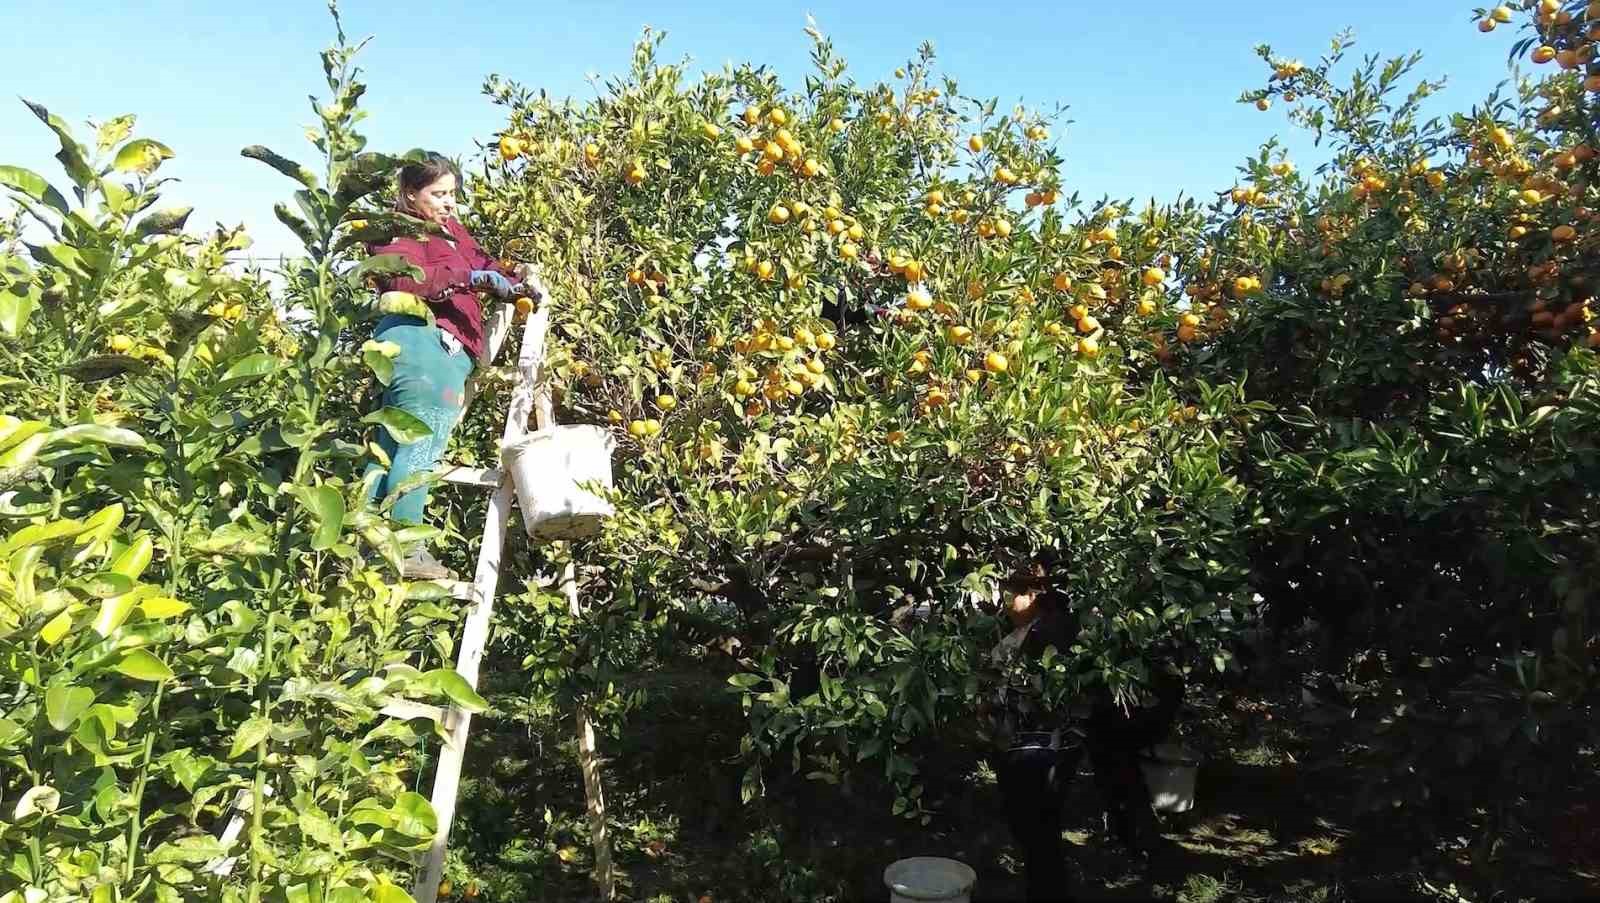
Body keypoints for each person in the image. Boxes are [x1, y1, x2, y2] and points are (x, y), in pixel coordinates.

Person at [363, 152, 522, 579]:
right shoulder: (395, 229)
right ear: (411, 194)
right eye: (439, 194)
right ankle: (406, 548)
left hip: (435, 346)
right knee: (421, 441)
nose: (450, 202)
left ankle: (364, 546)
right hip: (423, 339)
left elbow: (483, 263)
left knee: (391, 445)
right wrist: (466, 278)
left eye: (453, 194)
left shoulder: (451, 231)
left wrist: (512, 278)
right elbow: (404, 277)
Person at [988, 564, 1185, 901]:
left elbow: (1033, 697)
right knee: (1045, 825)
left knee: (1035, 827)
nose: (1004, 603)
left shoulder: (1044, 636)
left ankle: (1049, 891)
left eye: (1010, 594)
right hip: (1062, 743)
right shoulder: (1056, 626)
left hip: (1039, 748)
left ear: (1033, 594)